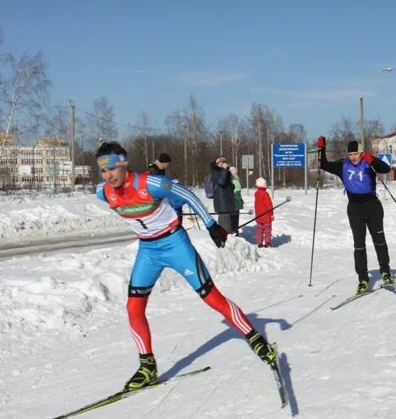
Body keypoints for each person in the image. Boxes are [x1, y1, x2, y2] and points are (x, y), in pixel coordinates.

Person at [94, 142, 276, 391]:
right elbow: (108, 190)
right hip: (148, 251)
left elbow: (187, 194)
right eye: (103, 171)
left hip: (174, 243)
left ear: (124, 164)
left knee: (211, 298)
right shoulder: (103, 191)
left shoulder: (150, 183)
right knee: (134, 306)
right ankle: (147, 366)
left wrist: (211, 225)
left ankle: (255, 340)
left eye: (112, 168)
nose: (108, 175)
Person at [317, 137, 394, 293]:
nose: (353, 157)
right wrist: (321, 149)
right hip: (355, 209)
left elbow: (386, 168)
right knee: (359, 245)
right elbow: (323, 164)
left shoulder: (369, 163)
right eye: (350, 154)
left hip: (373, 206)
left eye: (356, 153)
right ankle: (363, 279)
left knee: (379, 240)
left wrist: (372, 159)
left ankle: (385, 272)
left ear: (361, 153)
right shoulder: (342, 166)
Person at [147, 153, 185, 224]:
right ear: (164, 162)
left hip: (158, 193)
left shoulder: (160, 169)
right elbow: (158, 183)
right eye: (167, 163)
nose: (168, 166)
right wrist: (170, 185)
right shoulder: (155, 169)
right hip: (154, 195)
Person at [209, 156, 238, 234]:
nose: (224, 164)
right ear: (217, 164)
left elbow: (229, 186)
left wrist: (231, 174)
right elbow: (221, 181)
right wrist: (225, 170)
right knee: (225, 224)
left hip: (227, 202)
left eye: (225, 162)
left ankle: (228, 236)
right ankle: (226, 238)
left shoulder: (223, 172)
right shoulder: (215, 172)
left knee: (228, 222)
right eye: (221, 162)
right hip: (222, 203)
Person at [254, 177, 273, 248]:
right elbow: (269, 205)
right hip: (266, 216)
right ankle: (267, 242)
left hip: (258, 216)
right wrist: (271, 214)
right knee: (267, 230)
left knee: (259, 230)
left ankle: (259, 242)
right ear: (264, 185)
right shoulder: (265, 194)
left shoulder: (256, 193)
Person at [230, 167, 245, 235]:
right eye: (235, 172)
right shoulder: (235, 180)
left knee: (232, 219)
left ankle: (234, 232)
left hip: (231, 202)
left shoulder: (232, 179)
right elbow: (237, 193)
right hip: (235, 202)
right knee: (234, 219)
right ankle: (235, 232)